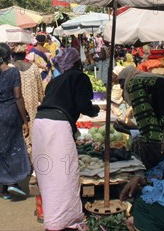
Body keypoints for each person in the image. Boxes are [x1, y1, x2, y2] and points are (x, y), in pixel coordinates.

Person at [32, 47, 100, 231]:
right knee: (65, 175)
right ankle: (64, 221)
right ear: (77, 63)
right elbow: (82, 105)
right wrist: (94, 110)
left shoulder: (55, 81)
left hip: (40, 125)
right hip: (57, 126)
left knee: (48, 174)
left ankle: (55, 218)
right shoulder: (80, 77)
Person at [0, 43, 31, 199]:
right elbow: (18, 97)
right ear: (9, 56)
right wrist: (25, 120)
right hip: (11, 114)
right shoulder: (13, 72)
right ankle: (13, 182)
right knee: (13, 147)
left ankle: (4, 187)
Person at [11, 43, 44, 156]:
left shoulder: (8, 68)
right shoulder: (34, 67)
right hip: (31, 106)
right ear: (25, 53)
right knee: (30, 132)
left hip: (13, 105)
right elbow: (40, 91)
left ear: (12, 54)